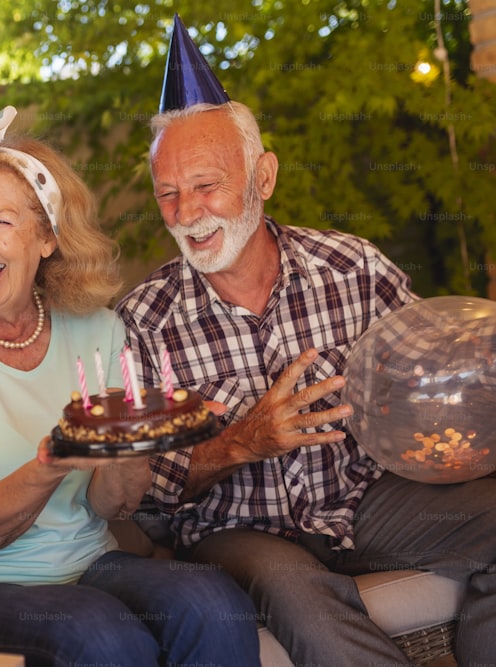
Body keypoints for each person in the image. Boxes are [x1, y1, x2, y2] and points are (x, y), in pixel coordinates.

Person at [115, 15, 496, 667]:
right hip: (237, 530)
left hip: (366, 499)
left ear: (262, 177)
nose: (186, 212)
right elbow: (136, 491)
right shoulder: (143, 321)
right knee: (299, 594)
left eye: (205, 185)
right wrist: (242, 440)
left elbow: (433, 384)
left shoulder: (354, 269)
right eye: (168, 194)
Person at [0, 105, 261, 666]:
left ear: (47, 238)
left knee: (214, 600)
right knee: (99, 633)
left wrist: (139, 444)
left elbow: (112, 506)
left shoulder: (99, 329)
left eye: (1, 221)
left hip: (84, 566)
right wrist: (55, 459)